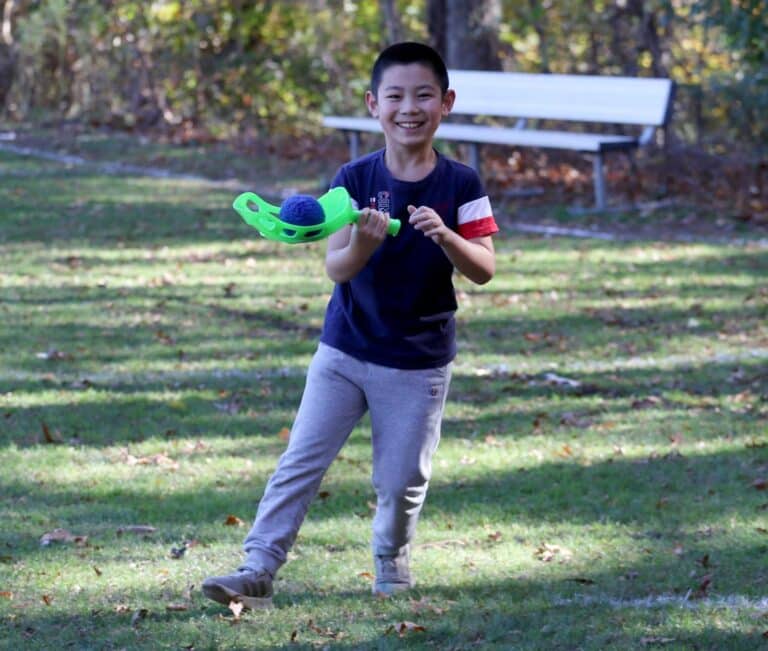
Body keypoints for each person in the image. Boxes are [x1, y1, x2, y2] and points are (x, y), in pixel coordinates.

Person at [202, 41, 498, 609]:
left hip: (417, 363)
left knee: (400, 482)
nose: (408, 108)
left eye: (423, 96)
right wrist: (361, 242)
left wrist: (448, 237)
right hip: (344, 351)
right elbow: (335, 266)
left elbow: (483, 268)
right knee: (301, 462)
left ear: (447, 103)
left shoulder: (462, 183)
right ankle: (257, 568)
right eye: (395, 96)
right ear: (373, 104)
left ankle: (391, 563)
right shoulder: (353, 178)